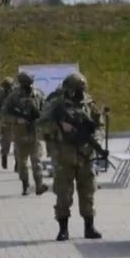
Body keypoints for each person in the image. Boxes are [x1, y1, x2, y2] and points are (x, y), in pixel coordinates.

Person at [37, 72, 103, 241]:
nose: (81, 93)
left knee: (88, 191)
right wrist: (60, 128)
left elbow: (99, 124)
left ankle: (89, 227)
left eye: (82, 89)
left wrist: (95, 138)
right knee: (63, 193)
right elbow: (41, 126)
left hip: (85, 154)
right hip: (63, 155)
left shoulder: (88, 102)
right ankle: (63, 229)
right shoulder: (55, 103)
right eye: (77, 90)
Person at [0, 71, 48, 196]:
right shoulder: (13, 97)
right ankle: (25, 185)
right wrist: (16, 120)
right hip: (19, 133)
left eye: (31, 83)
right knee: (22, 163)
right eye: (28, 83)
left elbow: (46, 110)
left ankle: (39, 185)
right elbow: (4, 113)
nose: (31, 85)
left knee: (36, 161)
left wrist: (40, 119)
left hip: (34, 133)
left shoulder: (38, 95)